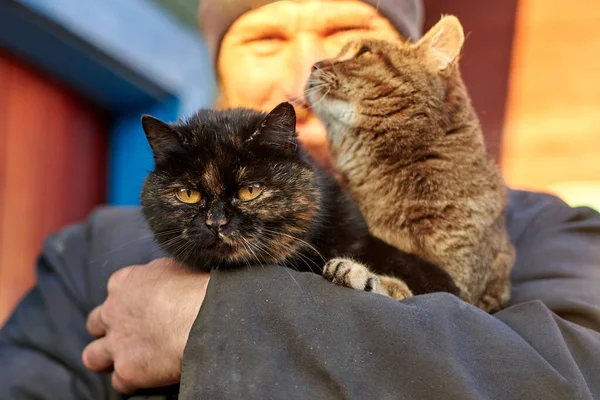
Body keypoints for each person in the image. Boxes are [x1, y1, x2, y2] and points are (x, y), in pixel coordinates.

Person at [1, 0, 599, 398]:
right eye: (264, 38)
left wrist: (220, 325)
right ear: (218, 68)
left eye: (346, 36)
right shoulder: (94, 250)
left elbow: (576, 377)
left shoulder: (538, 230)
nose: (302, 71)